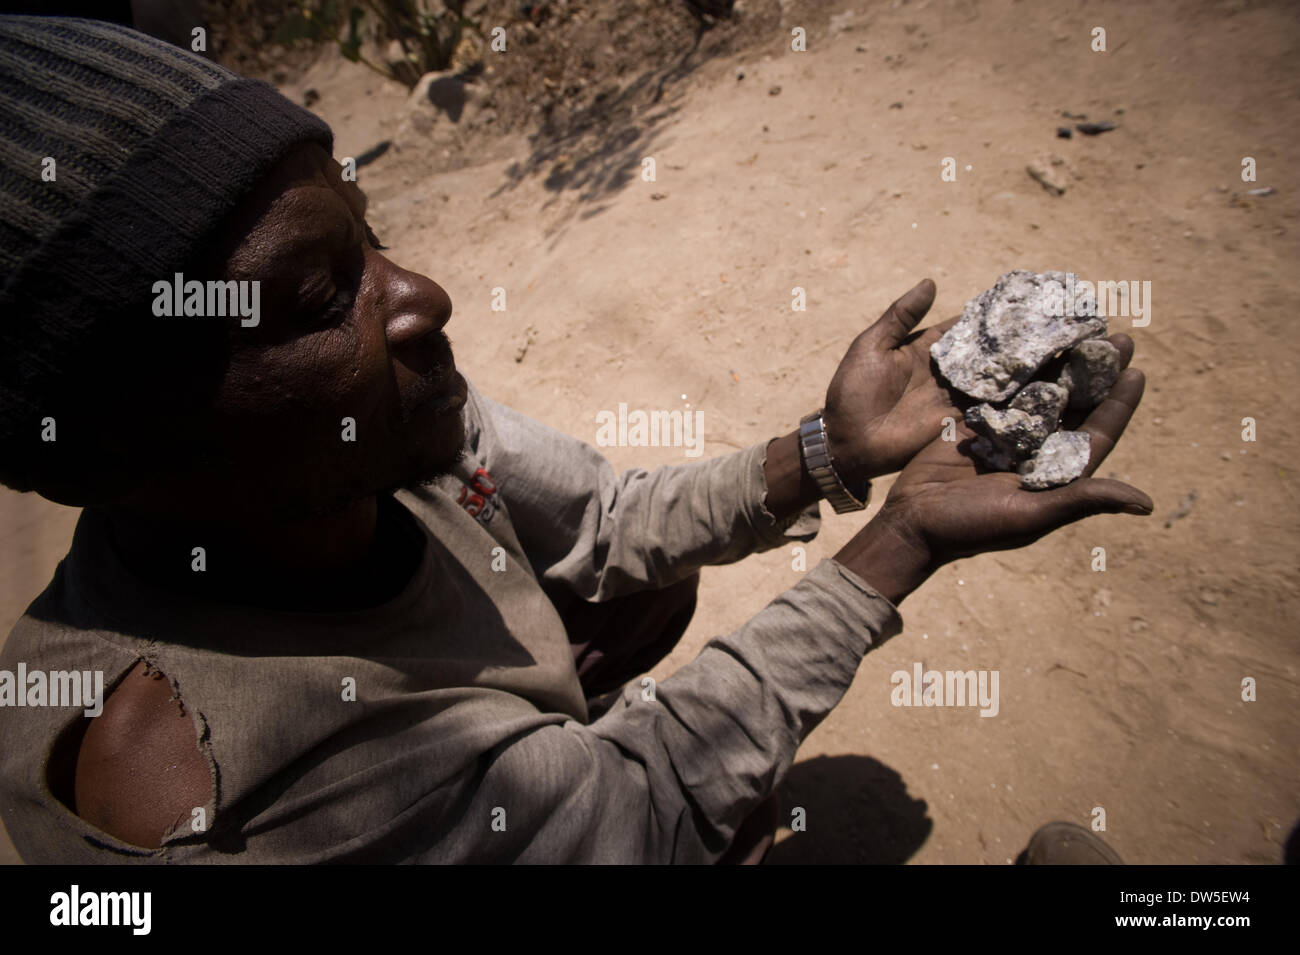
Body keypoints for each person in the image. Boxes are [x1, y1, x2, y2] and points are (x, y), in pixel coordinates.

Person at [0, 16, 1152, 864]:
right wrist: (896, 543)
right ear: (117, 444)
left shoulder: (353, 439)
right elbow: (640, 805)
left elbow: (606, 521)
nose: (422, 296)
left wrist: (828, 448)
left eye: (370, 236)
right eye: (313, 295)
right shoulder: (212, 767)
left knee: (640, 591)